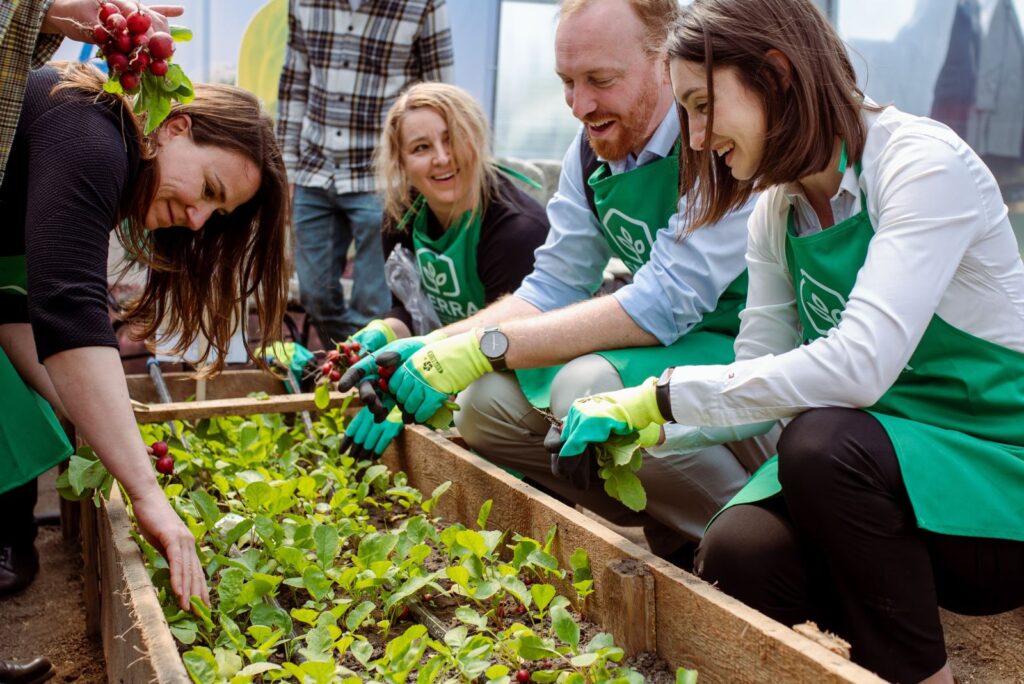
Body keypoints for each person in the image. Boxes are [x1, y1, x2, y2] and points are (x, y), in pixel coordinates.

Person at [553, 0, 1024, 681]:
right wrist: (633, 433)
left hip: (994, 487)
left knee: (822, 444)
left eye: (702, 105)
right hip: (896, 482)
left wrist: (659, 397)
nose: (693, 137)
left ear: (775, 73)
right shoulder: (777, 208)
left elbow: (858, 368)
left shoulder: (920, 166)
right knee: (739, 552)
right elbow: (755, 386)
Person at [342, 0, 768, 568]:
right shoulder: (589, 153)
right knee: (483, 407)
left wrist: (481, 347)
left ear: (666, 63)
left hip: (744, 343)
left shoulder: (712, 142)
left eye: (600, 80)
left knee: (583, 390)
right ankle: (668, 524)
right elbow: (551, 287)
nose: (580, 105)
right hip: (666, 348)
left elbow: (661, 303)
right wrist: (432, 347)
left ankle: (752, 539)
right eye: (567, 82)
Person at [0, 62, 289, 618]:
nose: (199, 220)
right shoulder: (92, 136)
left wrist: (106, 421)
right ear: (176, 126)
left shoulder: (102, 148)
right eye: (208, 189)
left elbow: (11, 308)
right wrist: (147, 493)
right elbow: (66, 309)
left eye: (216, 210)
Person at [337, 82, 549, 460]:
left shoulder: (516, 231)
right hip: (449, 367)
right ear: (401, 162)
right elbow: (411, 309)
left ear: (477, 140)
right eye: (421, 148)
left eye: (453, 139)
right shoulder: (403, 217)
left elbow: (511, 348)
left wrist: (408, 399)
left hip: (528, 389)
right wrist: (381, 333)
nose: (441, 158)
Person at [277, 0, 454, 348]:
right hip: (317, 168)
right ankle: (357, 364)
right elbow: (294, 83)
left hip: (382, 178)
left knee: (376, 304)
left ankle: (365, 383)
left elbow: (440, 95)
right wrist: (286, 169)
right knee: (314, 294)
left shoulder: (424, 5)